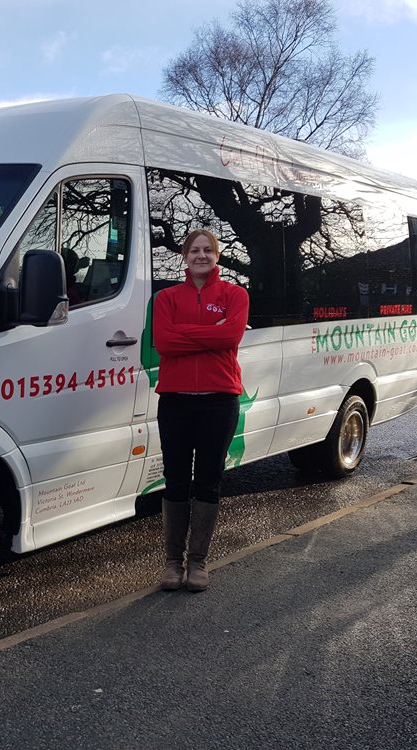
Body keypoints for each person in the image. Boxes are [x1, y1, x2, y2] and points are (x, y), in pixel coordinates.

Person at [152, 229, 249, 592]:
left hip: (219, 401)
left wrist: (186, 332)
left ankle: (197, 562)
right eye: (194, 250)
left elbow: (231, 337)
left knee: (208, 479)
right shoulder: (166, 298)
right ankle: (172, 563)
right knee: (176, 479)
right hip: (175, 401)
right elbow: (164, 342)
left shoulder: (235, 295)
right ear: (185, 256)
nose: (201, 255)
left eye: (208, 250)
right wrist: (211, 331)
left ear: (217, 256)